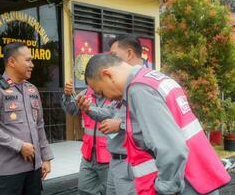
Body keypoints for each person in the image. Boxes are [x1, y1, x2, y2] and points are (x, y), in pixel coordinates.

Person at [84, 53, 231, 195]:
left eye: (102, 92)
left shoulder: (139, 89)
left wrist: (165, 189)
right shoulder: (152, 78)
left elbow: (172, 149)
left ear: (107, 75)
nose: (107, 98)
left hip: (185, 181)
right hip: (197, 172)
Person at [76, 34, 150, 195]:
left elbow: (155, 129)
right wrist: (89, 110)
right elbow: (111, 112)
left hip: (134, 163)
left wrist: (121, 125)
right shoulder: (125, 87)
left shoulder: (145, 85)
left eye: (114, 56)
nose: (111, 60)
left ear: (129, 54)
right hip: (116, 162)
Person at [0, 42, 53, 195]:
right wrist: (19, 146)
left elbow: (39, 125)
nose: (32, 64)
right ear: (12, 62)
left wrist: (45, 157)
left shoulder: (32, 89)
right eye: (27, 60)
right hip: (8, 171)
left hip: (34, 169)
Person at [61, 79, 114, 195]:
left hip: (109, 157)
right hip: (88, 155)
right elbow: (71, 110)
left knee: (110, 191)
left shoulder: (114, 95)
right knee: (84, 190)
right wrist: (68, 95)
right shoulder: (85, 94)